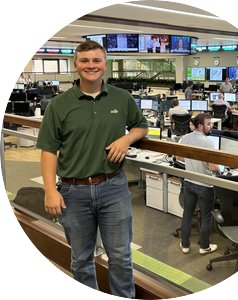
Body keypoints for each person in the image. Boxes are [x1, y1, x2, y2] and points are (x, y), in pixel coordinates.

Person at [36, 40, 148, 298]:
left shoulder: (121, 98)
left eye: (96, 60)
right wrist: (50, 190)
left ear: (105, 65)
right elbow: (48, 150)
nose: (91, 66)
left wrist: (126, 138)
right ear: (76, 65)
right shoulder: (59, 105)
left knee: (120, 256)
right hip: (73, 192)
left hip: (114, 187)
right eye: (84, 61)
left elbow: (140, 126)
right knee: (81, 259)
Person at [178, 113, 219, 255]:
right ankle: (204, 246)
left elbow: (179, 157)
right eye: (208, 124)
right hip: (205, 186)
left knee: (188, 214)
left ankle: (185, 245)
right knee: (206, 216)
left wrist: (192, 163)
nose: (211, 126)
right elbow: (213, 168)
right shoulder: (208, 142)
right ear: (200, 126)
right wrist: (219, 173)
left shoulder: (185, 138)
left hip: (189, 182)